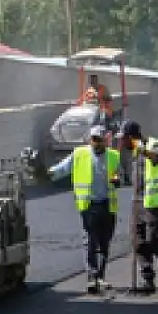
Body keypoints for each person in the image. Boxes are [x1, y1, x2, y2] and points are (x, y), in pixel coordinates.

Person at [50, 125, 122, 293]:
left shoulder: (114, 156)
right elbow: (61, 169)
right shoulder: (80, 154)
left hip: (107, 205)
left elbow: (120, 175)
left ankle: (101, 277)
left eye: (100, 140)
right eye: (94, 139)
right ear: (90, 139)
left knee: (105, 242)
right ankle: (92, 277)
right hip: (89, 206)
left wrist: (118, 179)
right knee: (90, 241)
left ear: (105, 141)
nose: (97, 143)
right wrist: (46, 174)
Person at [124, 120, 158, 294]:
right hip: (138, 201)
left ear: (132, 137)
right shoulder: (134, 151)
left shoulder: (153, 144)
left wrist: (144, 151)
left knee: (154, 241)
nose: (122, 142)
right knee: (138, 241)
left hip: (154, 202)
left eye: (124, 138)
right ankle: (148, 280)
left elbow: (157, 157)